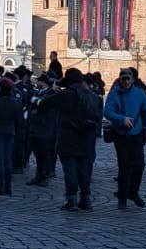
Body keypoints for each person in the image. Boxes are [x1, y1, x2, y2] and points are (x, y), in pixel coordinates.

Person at [37, 67, 100, 210]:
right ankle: (86, 199)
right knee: (83, 169)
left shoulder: (66, 94)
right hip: (85, 137)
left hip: (68, 137)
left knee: (70, 169)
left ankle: (71, 200)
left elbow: (44, 103)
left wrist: (53, 91)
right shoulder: (92, 95)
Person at [103, 69, 146, 208]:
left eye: (128, 79)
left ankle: (134, 192)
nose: (126, 81)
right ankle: (122, 197)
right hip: (121, 134)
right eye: (123, 79)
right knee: (124, 166)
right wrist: (122, 119)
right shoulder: (114, 93)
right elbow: (107, 111)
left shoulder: (139, 93)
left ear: (132, 80)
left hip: (136, 133)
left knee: (139, 165)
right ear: (120, 79)